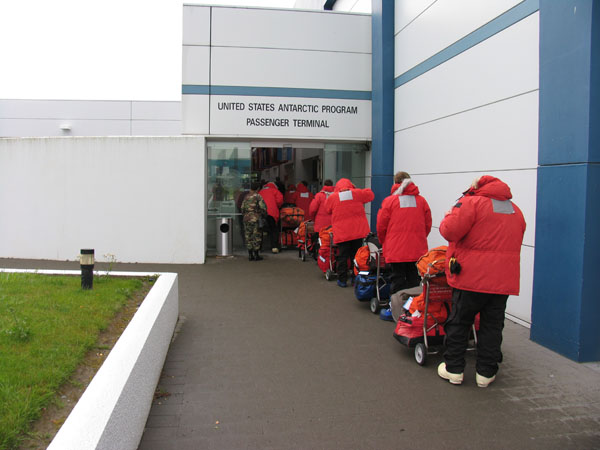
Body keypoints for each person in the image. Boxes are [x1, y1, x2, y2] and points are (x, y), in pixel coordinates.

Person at [437, 175, 526, 388]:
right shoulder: (514, 210)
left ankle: (454, 369)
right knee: (492, 326)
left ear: (476, 187)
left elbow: (448, 231)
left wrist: (451, 213)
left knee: (460, 322)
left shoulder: (471, 203)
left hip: (471, 278)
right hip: (502, 280)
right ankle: (486, 373)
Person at [376, 172, 432, 294]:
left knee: (397, 279)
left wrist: (383, 241)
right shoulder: (421, 201)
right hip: (417, 247)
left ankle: (396, 308)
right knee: (414, 278)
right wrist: (419, 238)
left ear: (396, 183)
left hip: (396, 248)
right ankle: (412, 308)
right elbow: (427, 225)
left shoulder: (389, 201)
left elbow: (381, 226)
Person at [325, 178, 374, 287]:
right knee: (356, 256)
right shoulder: (356, 194)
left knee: (342, 256)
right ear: (350, 186)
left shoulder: (333, 197)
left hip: (342, 232)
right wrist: (356, 190)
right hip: (357, 231)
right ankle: (355, 278)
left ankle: (342, 279)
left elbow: (327, 209)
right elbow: (370, 195)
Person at [241, 181, 267, 261]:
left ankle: (250, 255)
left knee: (248, 236)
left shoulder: (246, 196)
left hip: (246, 219)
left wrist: (246, 215)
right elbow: (263, 208)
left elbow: (242, 208)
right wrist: (262, 214)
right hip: (255, 219)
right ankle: (256, 255)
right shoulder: (258, 196)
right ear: (258, 188)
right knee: (256, 236)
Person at [309, 179, 335, 253]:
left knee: (318, 240)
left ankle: (318, 254)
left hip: (320, 224)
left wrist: (313, 218)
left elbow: (312, 209)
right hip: (333, 223)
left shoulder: (319, 195)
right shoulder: (336, 195)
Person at [259, 180, 284, 253]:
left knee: (260, 230)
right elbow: (280, 201)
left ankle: (259, 247)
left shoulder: (261, 191)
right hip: (272, 213)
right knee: (274, 230)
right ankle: (274, 247)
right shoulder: (275, 191)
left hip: (262, 213)